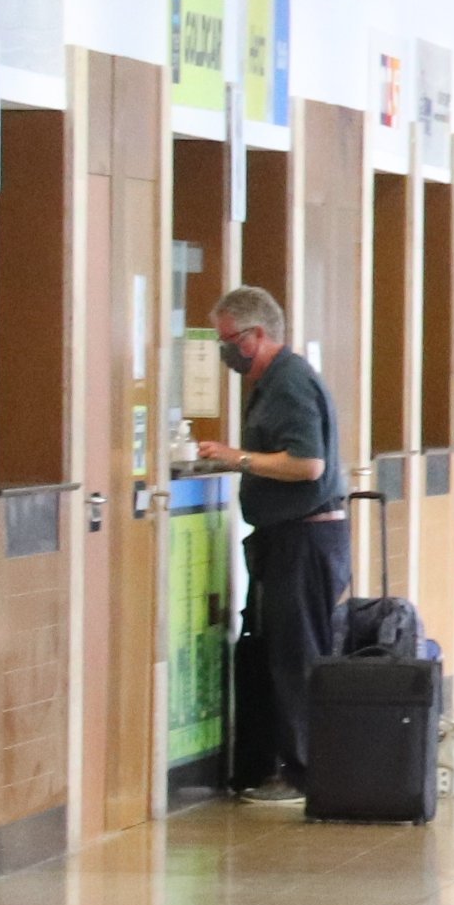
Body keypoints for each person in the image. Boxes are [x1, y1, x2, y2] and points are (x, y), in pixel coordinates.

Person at [192, 286, 350, 799]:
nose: (225, 353)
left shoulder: (289, 384)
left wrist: (238, 458)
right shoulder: (276, 382)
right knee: (278, 653)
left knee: (296, 656)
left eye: (230, 341)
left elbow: (307, 464)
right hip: (290, 539)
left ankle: (305, 772)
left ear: (257, 335)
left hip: (305, 541)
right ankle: (282, 765)